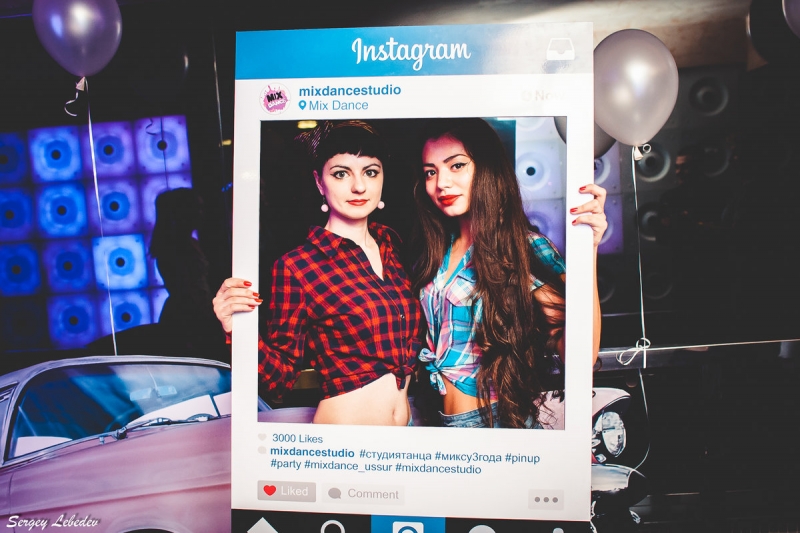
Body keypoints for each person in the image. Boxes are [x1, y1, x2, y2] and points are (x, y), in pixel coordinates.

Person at [212, 121, 421, 425]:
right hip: (344, 438)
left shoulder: (392, 245)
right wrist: (237, 330)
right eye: (341, 174)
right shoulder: (299, 267)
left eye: (370, 172)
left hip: (404, 433)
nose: (359, 186)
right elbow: (278, 381)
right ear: (319, 183)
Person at [412, 118, 606, 428]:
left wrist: (589, 250)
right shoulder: (437, 250)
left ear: (487, 169)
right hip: (440, 421)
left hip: (492, 422)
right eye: (430, 172)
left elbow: (580, 355)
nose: (441, 183)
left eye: (457, 166)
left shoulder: (522, 247)